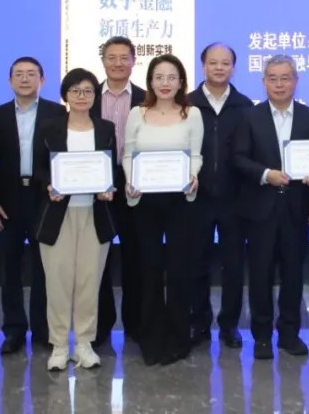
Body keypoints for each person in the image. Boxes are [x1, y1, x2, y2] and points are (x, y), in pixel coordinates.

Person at [232, 55, 309, 360]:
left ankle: (289, 333)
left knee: (293, 273)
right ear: (264, 82)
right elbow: (239, 158)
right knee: (260, 274)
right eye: (273, 78)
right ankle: (261, 336)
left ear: (296, 81)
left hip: (298, 208)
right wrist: (266, 174)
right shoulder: (249, 116)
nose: (279, 84)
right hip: (260, 208)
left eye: (285, 78)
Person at [33, 68, 122, 371]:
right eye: (75, 91)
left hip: (94, 216)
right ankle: (59, 346)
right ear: (65, 95)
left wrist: (109, 187)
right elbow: (39, 168)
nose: (82, 96)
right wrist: (49, 185)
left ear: (95, 96)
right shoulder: (49, 128)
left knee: (89, 282)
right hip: (57, 216)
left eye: (88, 91)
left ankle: (84, 343)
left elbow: (111, 168)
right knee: (57, 283)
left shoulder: (106, 128)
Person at [122, 54, 203, 365]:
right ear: (150, 82)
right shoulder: (137, 113)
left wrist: (193, 176)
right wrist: (130, 181)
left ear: (181, 82)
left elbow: (195, 155)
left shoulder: (192, 113)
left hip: (181, 201)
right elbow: (128, 154)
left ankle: (178, 339)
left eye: (172, 77)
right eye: (159, 77)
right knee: (149, 270)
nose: (165, 83)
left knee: (180, 270)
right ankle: (151, 339)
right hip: (145, 202)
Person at [0, 56, 63, 354]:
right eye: (19, 74)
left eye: (31, 74)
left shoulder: (58, 113)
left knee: (46, 268)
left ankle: (43, 329)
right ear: (9, 81)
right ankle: (14, 330)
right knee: (10, 267)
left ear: (43, 80)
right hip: (8, 200)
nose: (25, 79)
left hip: (45, 198)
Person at [187, 43, 254, 349]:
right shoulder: (188, 104)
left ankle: (229, 325)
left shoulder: (245, 106)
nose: (219, 68)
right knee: (196, 263)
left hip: (235, 198)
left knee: (234, 265)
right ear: (203, 66)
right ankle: (198, 323)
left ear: (233, 68)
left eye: (225, 63)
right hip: (196, 199)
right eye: (213, 62)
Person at [93, 36, 145, 346]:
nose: (117, 63)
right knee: (98, 258)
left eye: (124, 57)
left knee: (135, 257)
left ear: (133, 61)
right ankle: (101, 326)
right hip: (96, 186)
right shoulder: (87, 96)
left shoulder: (147, 98)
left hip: (136, 185)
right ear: (103, 61)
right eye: (111, 57)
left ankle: (135, 324)